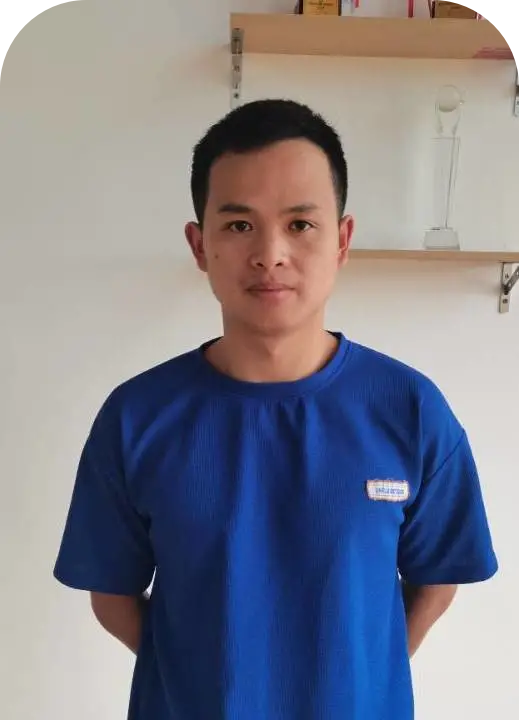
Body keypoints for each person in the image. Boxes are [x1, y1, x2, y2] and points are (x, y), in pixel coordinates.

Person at [54, 99, 498, 720]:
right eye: (239, 225)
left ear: (342, 240)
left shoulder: (410, 409)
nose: (270, 253)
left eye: (301, 224)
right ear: (199, 244)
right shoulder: (137, 418)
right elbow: (111, 593)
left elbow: (439, 575)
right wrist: (199, 680)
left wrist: (363, 677)